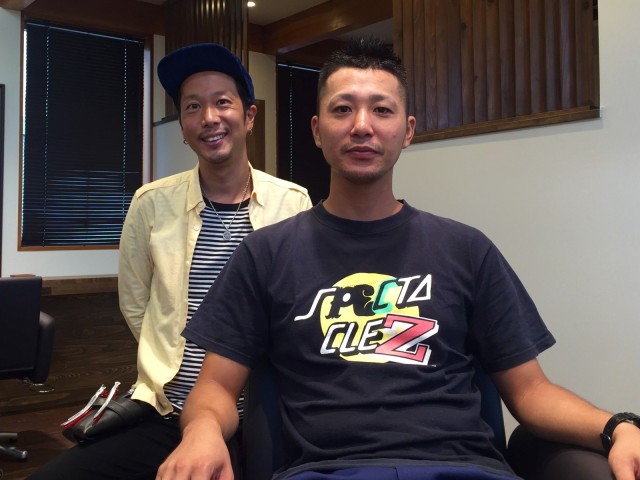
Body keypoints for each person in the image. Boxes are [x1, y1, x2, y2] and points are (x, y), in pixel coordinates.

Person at [157, 37, 640, 480]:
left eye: (381, 110)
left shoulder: (466, 249)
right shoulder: (266, 253)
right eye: (342, 109)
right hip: (328, 471)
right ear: (317, 130)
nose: (361, 126)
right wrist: (201, 431)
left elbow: (531, 391)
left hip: (463, 469)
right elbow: (215, 387)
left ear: (407, 131)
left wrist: (619, 427)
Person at [29, 43, 312, 480]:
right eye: (192, 107)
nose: (209, 118)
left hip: (262, 414)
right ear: (182, 126)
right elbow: (136, 304)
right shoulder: (151, 203)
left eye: (222, 102)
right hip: (167, 411)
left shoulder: (292, 203)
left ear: (249, 116)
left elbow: (300, 310)